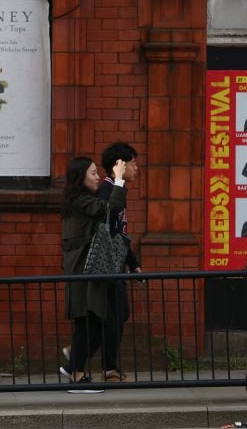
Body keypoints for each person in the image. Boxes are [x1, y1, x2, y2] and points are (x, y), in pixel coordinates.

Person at [59, 156, 127, 393]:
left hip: (86, 269)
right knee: (91, 321)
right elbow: (111, 208)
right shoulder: (80, 200)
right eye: (92, 173)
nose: (98, 177)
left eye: (98, 173)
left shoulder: (80, 199)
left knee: (94, 321)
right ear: (81, 177)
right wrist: (118, 179)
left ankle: (75, 370)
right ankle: (73, 372)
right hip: (83, 269)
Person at [95, 142, 139, 383]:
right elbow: (110, 221)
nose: (137, 168)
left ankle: (81, 355)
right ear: (120, 165)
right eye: (132, 163)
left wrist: (132, 261)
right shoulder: (108, 189)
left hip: (117, 262)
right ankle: (106, 367)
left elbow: (120, 232)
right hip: (108, 263)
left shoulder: (116, 188)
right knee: (115, 314)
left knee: (118, 313)